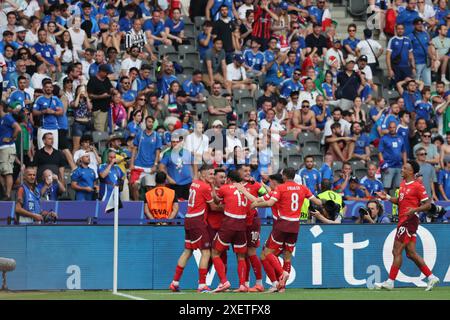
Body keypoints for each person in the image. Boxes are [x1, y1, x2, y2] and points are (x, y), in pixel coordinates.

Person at [238, 167, 323, 292]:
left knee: (266, 253)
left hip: (282, 224)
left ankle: (281, 274)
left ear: (284, 176)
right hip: (295, 225)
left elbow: (269, 203)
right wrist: (324, 202)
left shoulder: (280, 189)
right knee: (287, 257)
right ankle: (281, 286)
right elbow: (318, 202)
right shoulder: (302, 188)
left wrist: (254, 203)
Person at [375, 160, 440, 291]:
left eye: (405, 168)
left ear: (411, 171)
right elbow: (400, 201)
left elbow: (428, 205)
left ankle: (390, 281)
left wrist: (414, 210)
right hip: (404, 219)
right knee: (410, 253)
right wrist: (387, 197)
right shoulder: (403, 184)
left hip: (409, 220)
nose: (402, 170)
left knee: (396, 250)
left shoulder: (418, 186)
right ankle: (432, 277)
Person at [169, 165, 217, 293]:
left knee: (187, 251)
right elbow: (213, 206)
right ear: (202, 175)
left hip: (189, 218)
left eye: (213, 174)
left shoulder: (194, 183)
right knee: (206, 252)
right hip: (198, 220)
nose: (212, 176)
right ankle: (202, 285)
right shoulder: (205, 187)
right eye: (210, 174)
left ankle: (174, 282)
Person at [237, 164, 267, 292]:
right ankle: (245, 284)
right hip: (239, 221)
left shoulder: (255, 185)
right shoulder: (234, 185)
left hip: (253, 221)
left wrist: (255, 203)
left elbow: (267, 196)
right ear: (239, 172)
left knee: (251, 252)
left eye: (249, 170)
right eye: (245, 170)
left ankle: (259, 283)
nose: (248, 172)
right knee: (241, 253)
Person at [130, 116, 162, 200]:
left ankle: (149, 206)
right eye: (149, 121)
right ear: (145, 122)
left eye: (152, 122)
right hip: (138, 165)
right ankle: (136, 205)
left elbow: (157, 152)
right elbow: (134, 149)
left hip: (150, 166)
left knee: (150, 188)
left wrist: (155, 165)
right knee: (134, 186)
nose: (150, 123)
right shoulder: (139, 134)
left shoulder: (157, 136)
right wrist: (132, 163)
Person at [159, 135, 193, 200]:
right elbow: (161, 168)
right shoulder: (167, 153)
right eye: (173, 142)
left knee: (187, 205)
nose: (175, 143)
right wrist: (168, 178)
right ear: (171, 143)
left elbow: (194, 164)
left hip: (188, 182)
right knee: (175, 204)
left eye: (177, 142)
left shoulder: (186, 152)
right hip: (175, 183)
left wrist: (195, 175)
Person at [32, 79, 63, 150]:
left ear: (52, 88)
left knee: (54, 150)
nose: (49, 88)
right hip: (43, 128)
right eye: (47, 87)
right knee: (42, 150)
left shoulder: (56, 99)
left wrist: (53, 112)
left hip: (54, 128)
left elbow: (61, 112)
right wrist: (44, 111)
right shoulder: (39, 99)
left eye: (50, 87)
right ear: (43, 88)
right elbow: (34, 112)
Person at [0, 101, 21, 200]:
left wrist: (11, 138)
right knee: (2, 172)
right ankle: (4, 193)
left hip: (7, 148)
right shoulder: (2, 119)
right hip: (2, 148)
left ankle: (8, 195)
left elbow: (18, 128)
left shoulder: (7, 117)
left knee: (7, 172)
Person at [379, 121, 407, 194]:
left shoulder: (400, 138)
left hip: (399, 166)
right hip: (388, 166)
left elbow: (404, 151)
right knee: (386, 187)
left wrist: (405, 164)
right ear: (388, 128)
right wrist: (383, 164)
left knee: (399, 187)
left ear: (396, 128)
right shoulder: (384, 138)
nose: (392, 129)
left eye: (394, 127)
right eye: (390, 127)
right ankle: (384, 203)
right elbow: (380, 152)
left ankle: (397, 203)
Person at [87, 64, 114, 132]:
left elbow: (110, 88)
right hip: (98, 110)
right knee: (100, 131)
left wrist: (113, 90)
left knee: (106, 131)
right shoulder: (93, 80)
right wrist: (101, 96)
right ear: (101, 71)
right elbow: (90, 95)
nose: (107, 74)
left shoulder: (106, 79)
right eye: (106, 72)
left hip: (107, 109)